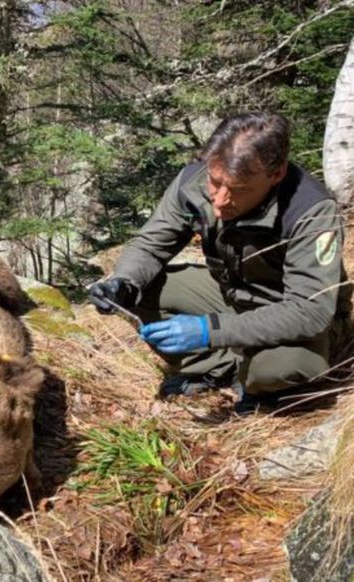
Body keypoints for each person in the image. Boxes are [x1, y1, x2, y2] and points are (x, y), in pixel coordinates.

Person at [90, 112, 351, 414]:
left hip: (287, 312)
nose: (220, 200)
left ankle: (255, 382)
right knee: (141, 290)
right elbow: (150, 243)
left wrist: (209, 330)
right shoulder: (193, 181)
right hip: (232, 294)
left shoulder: (310, 210)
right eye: (215, 182)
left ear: (276, 175)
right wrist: (122, 283)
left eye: (239, 190)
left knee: (282, 367)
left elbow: (310, 312)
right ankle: (220, 369)